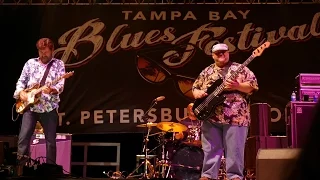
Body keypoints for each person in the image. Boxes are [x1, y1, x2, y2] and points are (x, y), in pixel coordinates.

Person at [192, 43, 258, 180]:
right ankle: (208, 176)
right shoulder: (207, 71)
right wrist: (197, 93)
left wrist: (238, 86)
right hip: (211, 117)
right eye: (218, 53)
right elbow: (195, 88)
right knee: (210, 149)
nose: (221, 54)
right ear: (212, 55)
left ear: (228, 53)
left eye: (224, 52)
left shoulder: (240, 68)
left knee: (235, 151)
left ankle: (234, 177)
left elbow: (253, 86)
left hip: (236, 116)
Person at [13, 38, 65, 165]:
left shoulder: (58, 64)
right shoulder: (30, 63)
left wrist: (51, 90)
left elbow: (60, 85)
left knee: (51, 142)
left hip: (48, 108)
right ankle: (20, 169)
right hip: (30, 108)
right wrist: (21, 93)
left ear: (52, 50)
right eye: (41, 52)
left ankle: (51, 170)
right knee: (23, 139)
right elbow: (21, 81)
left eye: (46, 52)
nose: (43, 55)